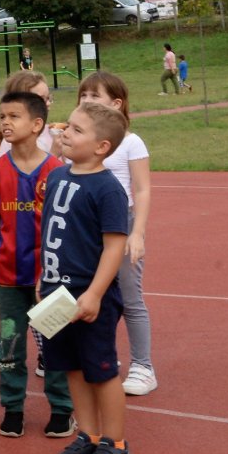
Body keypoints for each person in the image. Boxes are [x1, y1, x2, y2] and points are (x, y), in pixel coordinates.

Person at [40, 101, 135, 454]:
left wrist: (95, 293)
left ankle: (117, 444)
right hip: (54, 292)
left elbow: (114, 246)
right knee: (70, 367)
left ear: (102, 148)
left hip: (88, 294)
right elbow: (50, 232)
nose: (65, 133)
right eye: (69, 126)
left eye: (77, 130)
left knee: (101, 368)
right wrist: (42, 280)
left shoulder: (108, 188)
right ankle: (89, 435)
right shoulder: (60, 177)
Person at [0, 91, 76, 439]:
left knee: (55, 342)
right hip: (9, 275)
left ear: (37, 125)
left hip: (51, 278)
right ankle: (14, 408)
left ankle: (62, 408)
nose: (5, 122)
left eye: (14, 116)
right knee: (9, 343)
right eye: (2, 116)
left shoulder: (57, 171)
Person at [76, 72, 156, 397]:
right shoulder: (79, 141)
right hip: (84, 225)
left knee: (129, 297)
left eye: (94, 96)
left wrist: (137, 233)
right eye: (83, 95)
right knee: (89, 294)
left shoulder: (131, 142)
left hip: (119, 225)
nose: (86, 101)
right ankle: (98, 357)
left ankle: (143, 366)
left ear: (116, 103)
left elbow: (143, 189)